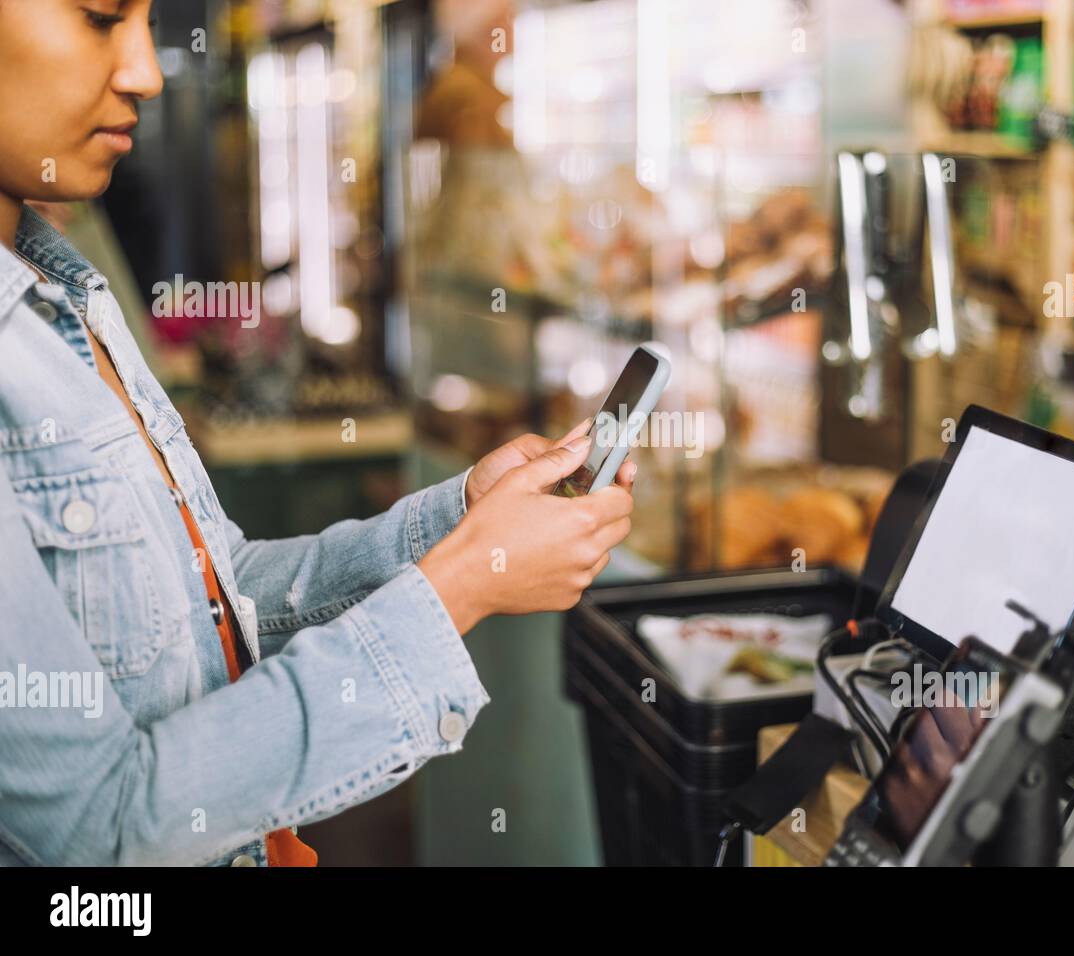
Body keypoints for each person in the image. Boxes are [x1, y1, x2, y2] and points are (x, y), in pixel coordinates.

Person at [0, 0, 635, 866]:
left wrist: (456, 524)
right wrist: (461, 588)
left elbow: (222, 600)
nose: (147, 70)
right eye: (102, 16)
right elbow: (97, 836)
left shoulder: (66, 297)